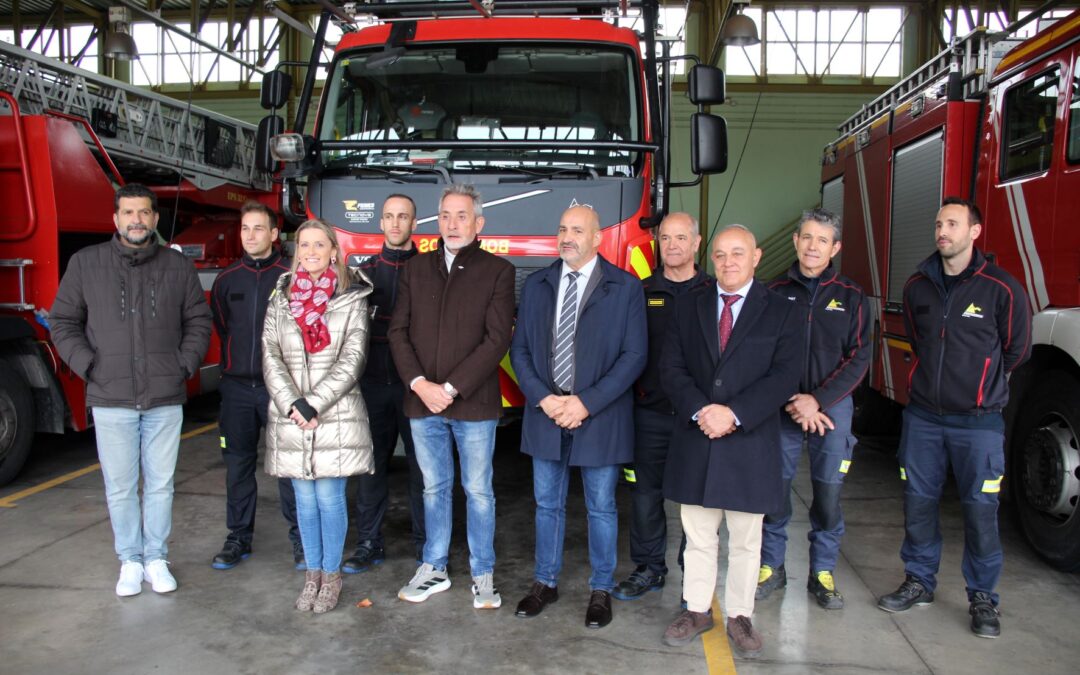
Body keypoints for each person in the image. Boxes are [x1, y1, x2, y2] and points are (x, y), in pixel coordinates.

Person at [877, 197, 1031, 639]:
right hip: (923, 418)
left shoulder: (1002, 288)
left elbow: (1017, 350)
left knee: (981, 511)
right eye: (938, 224)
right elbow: (918, 341)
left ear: (974, 232)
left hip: (979, 423)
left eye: (952, 224)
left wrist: (979, 385)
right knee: (918, 503)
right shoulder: (917, 286)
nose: (942, 231)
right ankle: (919, 581)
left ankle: (982, 596)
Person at [50, 183, 212, 597]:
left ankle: (156, 558)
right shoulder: (86, 264)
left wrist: (182, 366)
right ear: (116, 218)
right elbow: (63, 322)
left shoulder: (177, 267)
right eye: (128, 213)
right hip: (111, 397)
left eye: (143, 213)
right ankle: (130, 560)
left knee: (160, 485)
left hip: (164, 396)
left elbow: (198, 321)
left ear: (155, 219)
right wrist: (90, 366)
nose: (136, 220)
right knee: (120, 487)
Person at [659, 225, 801, 657]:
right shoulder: (689, 306)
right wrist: (703, 411)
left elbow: (785, 376)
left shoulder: (782, 310)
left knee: (745, 539)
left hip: (749, 442)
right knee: (698, 535)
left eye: (738, 253)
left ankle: (740, 614)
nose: (728, 262)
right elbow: (671, 369)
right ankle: (697, 609)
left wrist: (734, 414)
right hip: (698, 435)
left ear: (756, 257)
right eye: (720, 254)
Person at [510, 205, 647, 629]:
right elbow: (520, 350)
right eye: (562, 229)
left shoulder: (625, 287)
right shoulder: (538, 284)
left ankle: (601, 588)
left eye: (577, 230)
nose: (567, 237)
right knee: (546, 504)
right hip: (547, 414)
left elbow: (634, 355)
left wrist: (586, 402)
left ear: (598, 237)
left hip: (599, 415)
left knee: (601, 507)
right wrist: (543, 398)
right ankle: (545, 582)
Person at [389, 184, 515, 609]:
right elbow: (398, 332)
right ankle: (434, 568)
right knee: (433, 489)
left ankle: (483, 573)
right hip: (422, 402)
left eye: (462, 216)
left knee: (478, 491)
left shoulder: (498, 271)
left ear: (479, 223)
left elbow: (496, 340)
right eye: (445, 215)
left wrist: (449, 388)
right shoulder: (415, 269)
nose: (452, 224)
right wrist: (419, 384)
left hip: (473, 405)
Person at [756, 208, 871, 609]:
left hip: (831, 408)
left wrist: (817, 400)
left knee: (828, 494)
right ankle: (771, 566)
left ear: (835, 248)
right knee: (774, 490)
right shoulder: (772, 292)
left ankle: (821, 571)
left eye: (822, 240)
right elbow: (763, 353)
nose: (812, 246)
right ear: (795, 241)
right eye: (806, 237)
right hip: (783, 406)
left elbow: (859, 357)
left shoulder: (853, 296)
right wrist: (793, 399)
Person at [262, 218, 374, 614]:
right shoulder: (280, 298)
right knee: (304, 502)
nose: (310, 252)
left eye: (319, 245)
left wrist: (314, 403)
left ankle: (331, 574)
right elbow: (270, 354)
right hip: (292, 415)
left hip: (334, 414)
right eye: (304, 245)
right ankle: (312, 574)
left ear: (333, 252)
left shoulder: (351, 298)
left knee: (329, 498)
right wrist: (293, 403)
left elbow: (353, 357)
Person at [614, 212, 710, 601]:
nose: (672, 245)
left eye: (681, 238)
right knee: (644, 496)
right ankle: (649, 568)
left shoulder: (713, 292)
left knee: (696, 501)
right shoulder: (640, 292)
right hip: (649, 415)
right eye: (665, 238)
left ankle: (695, 576)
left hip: (697, 418)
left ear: (697, 243)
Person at [209, 201, 303, 571]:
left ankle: (301, 539)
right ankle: (238, 537)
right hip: (236, 390)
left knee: (289, 468)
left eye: (258, 228)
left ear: (274, 234)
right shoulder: (226, 280)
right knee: (237, 467)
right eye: (245, 228)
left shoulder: (291, 278)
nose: (250, 236)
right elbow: (223, 327)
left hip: (280, 390)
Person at [344, 194, 426, 573]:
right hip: (372, 386)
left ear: (414, 224)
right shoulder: (362, 275)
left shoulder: (430, 271)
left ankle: (427, 546)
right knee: (371, 469)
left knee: (423, 471)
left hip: (417, 390)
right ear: (380, 223)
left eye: (403, 217)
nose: (395, 223)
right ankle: (368, 543)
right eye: (389, 216)